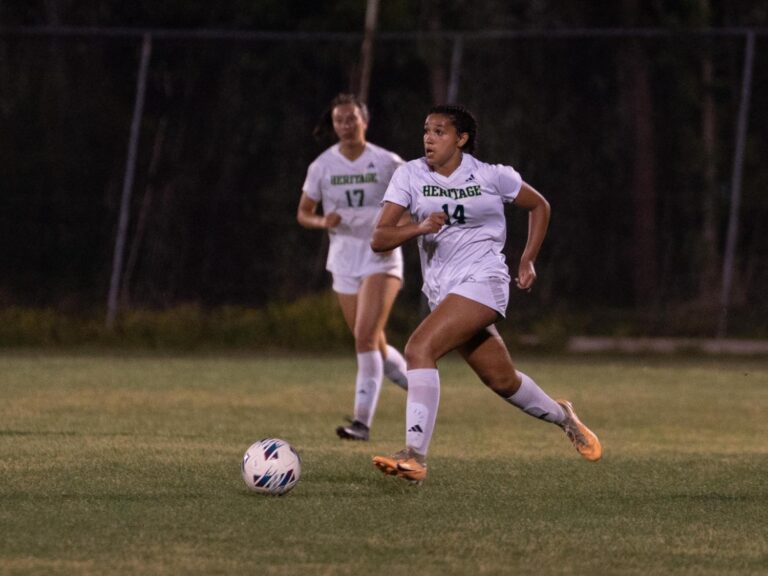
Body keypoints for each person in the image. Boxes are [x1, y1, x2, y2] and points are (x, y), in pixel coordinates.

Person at [370, 104, 602, 483]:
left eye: (440, 131)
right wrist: (420, 227)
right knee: (502, 380)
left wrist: (527, 259)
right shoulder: (409, 175)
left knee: (418, 348)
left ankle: (414, 455)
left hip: (485, 280)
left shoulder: (492, 176)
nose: (429, 138)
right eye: (426, 130)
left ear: (461, 139)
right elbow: (380, 238)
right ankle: (565, 417)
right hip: (443, 292)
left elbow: (539, 205)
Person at [297, 93, 410, 441]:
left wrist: (398, 227)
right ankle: (420, 385)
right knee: (372, 341)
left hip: (380, 257)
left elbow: (412, 201)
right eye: (339, 121)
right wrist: (321, 222)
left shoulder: (388, 162)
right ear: (333, 125)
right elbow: (303, 213)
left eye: (351, 119)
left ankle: (361, 423)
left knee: (364, 337)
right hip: (343, 260)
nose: (345, 126)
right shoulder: (322, 166)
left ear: (365, 121)